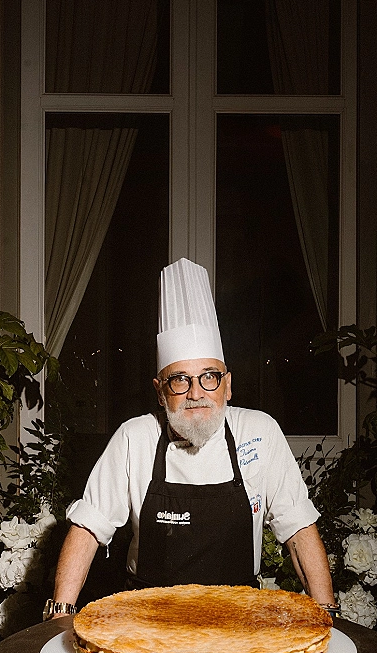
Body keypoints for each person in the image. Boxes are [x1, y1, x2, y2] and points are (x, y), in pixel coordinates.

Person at [43, 259, 337, 620]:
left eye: (208, 377)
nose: (196, 393)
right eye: (179, 380)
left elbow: (299, 530)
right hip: (146, 618)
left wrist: (327, 613)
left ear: (227, 385)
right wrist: (59, 612)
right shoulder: (135, 438)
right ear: (160, 391)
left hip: (240, 619)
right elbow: (87, 529)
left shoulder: (259, 432)